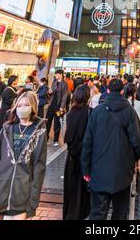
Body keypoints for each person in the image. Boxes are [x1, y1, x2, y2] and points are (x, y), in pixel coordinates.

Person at [81, 78, 140, 221]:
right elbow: (137, 141)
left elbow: (87, 142)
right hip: (122, 173)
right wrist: (135, 159)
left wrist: (86, 169)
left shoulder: (97, 112)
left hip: (98, 171)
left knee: (97, 213)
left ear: (107, 91)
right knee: (120, 213)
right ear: (122, 91)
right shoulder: (130, 112)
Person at [0, 91, 47, 220]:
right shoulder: (7, 128)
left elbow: (39, 167)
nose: (22, 108)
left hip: (21, 193)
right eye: (19, 105)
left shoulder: (39, 131)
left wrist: (34, 200)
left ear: (33, 107)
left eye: (26, 105)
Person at [63, 85, 92, 220]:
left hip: (71, 156)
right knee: (83, 187)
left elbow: (67, 136)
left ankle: (70, 213)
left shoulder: (70, 113)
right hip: (85, 156)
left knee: (71, 185)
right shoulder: (90, 112)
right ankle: (81, 212)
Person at [46, 69, 69, 147]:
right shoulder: (54, 82)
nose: (55, 75)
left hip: (58, 107)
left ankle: (55, 140)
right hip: (51, 106)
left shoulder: (64, 84)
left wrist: (62, 107)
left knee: (57, 124)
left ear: (60, 75)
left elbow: (65, 96)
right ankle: (46, 137)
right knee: (47, 122)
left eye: (56, 74)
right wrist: (49, 92)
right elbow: (51, 93)